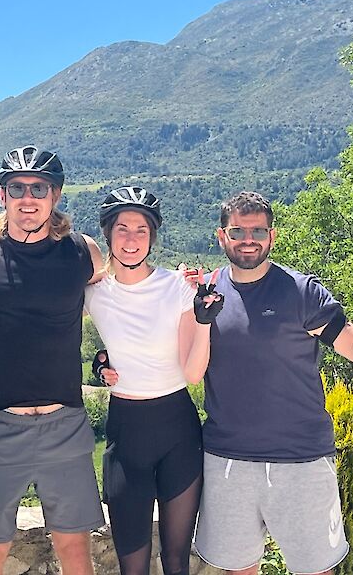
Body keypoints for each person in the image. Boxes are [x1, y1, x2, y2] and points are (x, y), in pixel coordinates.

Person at [192, 191, 353, 575]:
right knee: (237, 570)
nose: (248, 239)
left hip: (302, 459)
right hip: (227, 458)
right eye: (237, 230)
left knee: (314, 570)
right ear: (221, 236)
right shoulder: (206, 296)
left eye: (258, 230)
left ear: (272, 237)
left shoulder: (300, 292)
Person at [0, 145, 107, 575]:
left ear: (55, 196)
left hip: (66, 421)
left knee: (77, 554)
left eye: (38, 188)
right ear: (3, 196)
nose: (27, 197)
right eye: (16, 188)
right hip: (1, 422)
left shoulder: (83, 252)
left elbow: (111, 296)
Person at [85, 186, 222, 575]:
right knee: (133, 565)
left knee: (177, 561)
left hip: (177, 428)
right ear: (108, 235)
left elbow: (192, 373)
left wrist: (204, 323)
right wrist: (99, 363)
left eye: (141, 230)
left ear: (153, 238)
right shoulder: (92, 292)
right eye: (122, 229)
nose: (131, 240)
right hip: (126, 433)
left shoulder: (178, 287)